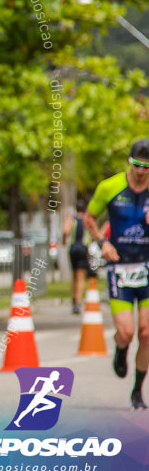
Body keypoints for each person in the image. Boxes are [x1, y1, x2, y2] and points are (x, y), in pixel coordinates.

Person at [84, 138, 149, 410]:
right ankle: (121, 349)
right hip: (120, 268)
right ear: (128, 160)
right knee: (127, 332)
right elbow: (89, 218)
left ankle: (137, 391)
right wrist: (102, 242)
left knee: (147, 333)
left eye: (147, 167)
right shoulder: (109, 187)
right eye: (136, 164)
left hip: (147, 267)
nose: (141, 171)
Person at [63, 199, 91, 315]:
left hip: (73, 248)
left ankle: (74, 298)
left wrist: (64, 240)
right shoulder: (87, 220)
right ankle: (78, 302)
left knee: (74, 275)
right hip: (83, 248)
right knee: (81, 277)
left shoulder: (71, 219)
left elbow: (65, 231)